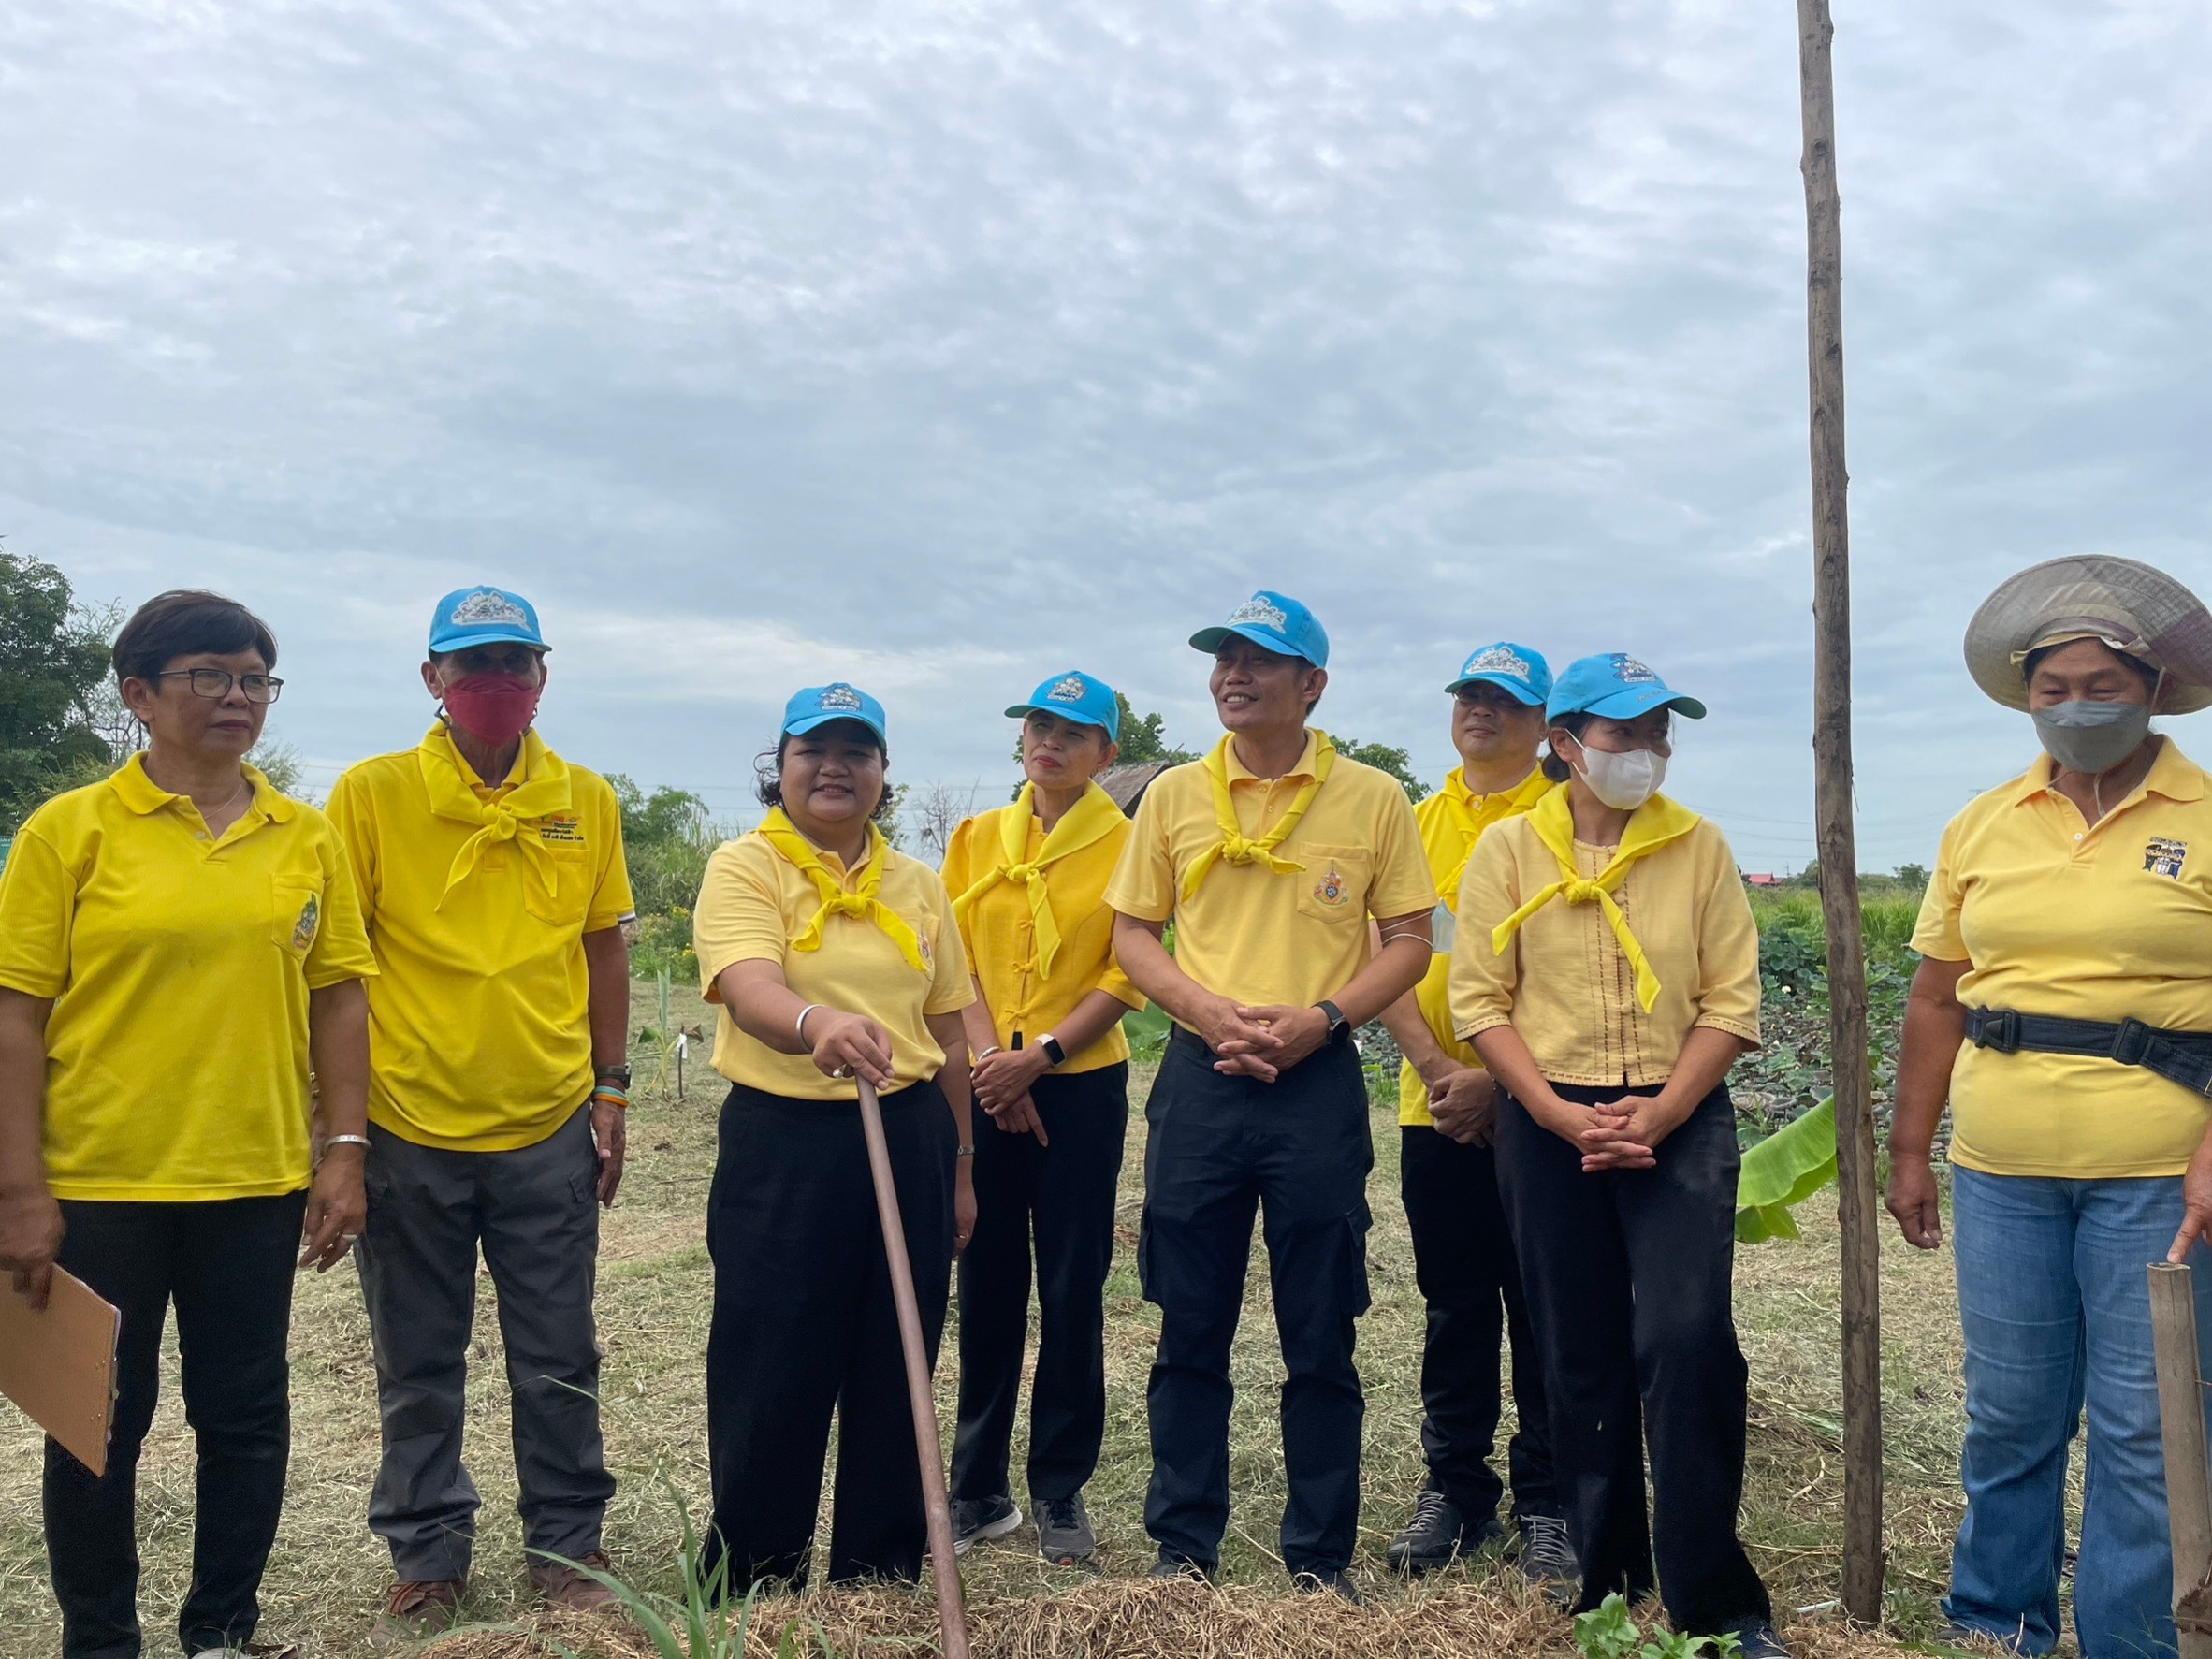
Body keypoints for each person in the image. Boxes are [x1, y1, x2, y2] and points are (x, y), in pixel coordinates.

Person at [0, 589, 376, 1659]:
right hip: (99, 1184)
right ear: (139, 695)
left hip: (253, 1182)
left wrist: (344, 1154)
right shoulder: (69, 832)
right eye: (209, 675)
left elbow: (340, 999)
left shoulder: (304, 836)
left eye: (254, 679)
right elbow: (16, 1015)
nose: (236, 697)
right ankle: (100, 1640)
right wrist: (19, 1187)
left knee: (245, 1419)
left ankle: (221, 1630)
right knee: (96, 1426)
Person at [1889, 556, 2212, 1659]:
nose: (2076, 707)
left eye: (2101, 685)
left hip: (2158, 1173)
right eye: (2053, 688)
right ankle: (1997, 1625)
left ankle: (2133, 1639)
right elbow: (1938, 995)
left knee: (2146, 1426)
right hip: (2002, 1170)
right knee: (2011, 1415)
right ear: (2026, 698)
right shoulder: (1984, 823)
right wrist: (1910, 1149)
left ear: (2153, 688)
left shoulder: (2206, 815)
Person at [1451, 651, 1783, 1657]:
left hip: (1677, 1116)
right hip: (1550, 1121)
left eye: (1658, 733)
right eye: (1623, 733)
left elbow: (1731, 1000)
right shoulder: (1508, 850)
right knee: (1577, 1347)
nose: (1647, 750)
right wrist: (1555, 1113)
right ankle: (1608, 1576)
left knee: (1687, 1340)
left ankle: (1713, 1595)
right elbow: (1480, 999)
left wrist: (1663, 1110)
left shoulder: (1699, 846)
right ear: (1565, 743)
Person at [1105, 592, 1435, 1600]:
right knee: (1189, 1319)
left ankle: (1320, 1559)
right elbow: (1132, 935)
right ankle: (1182, 1549)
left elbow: (1410, 941)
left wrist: (1324, 1020)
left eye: (1260, 660)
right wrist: (1208, 1013)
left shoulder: (1373, 797)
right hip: (1201, 1081)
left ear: (1313, 684)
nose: (1233, 675)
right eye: (1224, 659)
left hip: (1314, 1082)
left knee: (1320, 1325)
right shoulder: (1173, 795)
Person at [324, 586, 636, 1647]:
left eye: (515, 662)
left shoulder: (584, 798)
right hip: (409, 1124)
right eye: (472, 665)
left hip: (547, 1123)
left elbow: (602, 947)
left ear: (544, 676)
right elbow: (340, 965)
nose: (495, 683)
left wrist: (610, 1089)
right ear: (433, 679)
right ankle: (427, 1554)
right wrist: (341, 1130)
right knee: (417, 1357)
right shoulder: (371, 795)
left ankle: (569, 1547)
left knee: (559, 1351)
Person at [691, 683, 979, 1592]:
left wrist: (962, 1166)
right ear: (780, 765)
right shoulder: (745, 866)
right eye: (813, 750)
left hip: (911, 1131)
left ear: (884, 772)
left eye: (857, 752)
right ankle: (755, 1577)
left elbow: (951, 1032)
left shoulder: (919, 884)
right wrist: (816, 1022)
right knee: (773, 1357)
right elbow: (748, 985)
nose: (834, 768)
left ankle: (879, 1575)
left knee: (899, 1351)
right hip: (787, 1141)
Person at [1375, 643, 1572, 1585]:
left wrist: (1504, 1081)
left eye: (1503, 700)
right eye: (1469, 696)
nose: (1480, 711)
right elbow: (1382, 952)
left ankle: (1551, 1501)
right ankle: (1455, 1491)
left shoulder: (1568, 821)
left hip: (1540, 1106)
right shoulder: (1416, 823)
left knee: (1543, 1305)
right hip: (1434, 1107)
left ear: (1545, 725)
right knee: (1454, 1306)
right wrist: (1434, 1066)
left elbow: (1575, 975)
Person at [942, 671, 1146, 1568]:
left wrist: (1045, 1056)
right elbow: (949, 958)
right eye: (1037, 725)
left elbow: (1128, 972)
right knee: (986, 1280)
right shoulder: (975, 838)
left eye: (1072, 731)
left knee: (1070, 1286)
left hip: (1080, 1085)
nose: (1050, 742)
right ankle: (977, 1487)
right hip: (985, 1079)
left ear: (1107, 752)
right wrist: (996, 1062)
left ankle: (1061, 1485)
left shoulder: (1132, 846)